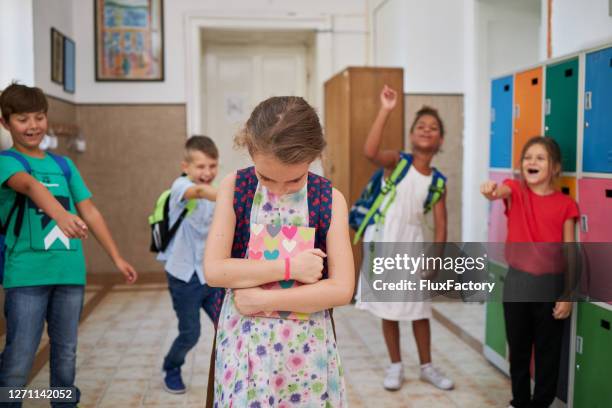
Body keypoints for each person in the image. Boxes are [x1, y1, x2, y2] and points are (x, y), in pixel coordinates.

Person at [204, 96, 354, 406]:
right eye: (267, 177)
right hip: (244, 346)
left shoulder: (330, 199)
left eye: (294, 180)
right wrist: (290, 268)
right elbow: (215, 270)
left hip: (308, 352)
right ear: (250, 151)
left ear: (314, 157)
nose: (279, 191)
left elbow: (342, 289)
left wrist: (265, 299)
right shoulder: (235, 188)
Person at [0, 83, 137, 407]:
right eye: (22, 119)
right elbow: (30, 186)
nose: (33, 126)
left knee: (65, 354)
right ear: (5, 123)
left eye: (39, 117)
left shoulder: (64, 165)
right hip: (27, 276)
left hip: (70, 274)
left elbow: (89, 209)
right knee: (20, 356)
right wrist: (61, 215)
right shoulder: (7, 162)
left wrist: (116, 257)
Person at [355, 85, 454, 391]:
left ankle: (426, 366)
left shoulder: (437, 181)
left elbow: (440, 225)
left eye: (433, 128)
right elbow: (369, 151)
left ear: (439, 141)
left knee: (419, 309)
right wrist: (386, 109)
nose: (427, 130)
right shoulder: (397, 162)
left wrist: (435, 259)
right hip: (384, 242)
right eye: (421, 126)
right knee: (389, 308)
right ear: (412, 135)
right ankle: (395, 365)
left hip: (411, 245)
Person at [481, 136, 577, 408]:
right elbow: (500, 191)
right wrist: (490, 189)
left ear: (555, 168)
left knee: (548, 352)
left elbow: (571, 252)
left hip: (550, 286)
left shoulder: (566, 205)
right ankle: (520, 401)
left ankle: (541, 403)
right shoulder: (516, 191)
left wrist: (568, 294)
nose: (531, 162)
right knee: (519, 349)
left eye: (540, 158)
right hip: (518, 284)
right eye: (527, 157)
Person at [157, 135, 223, 394]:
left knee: (227, 325)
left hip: (210, 275)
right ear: (186, 166)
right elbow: (199, 191)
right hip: (183, 276)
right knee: (190, 333)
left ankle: (229, 371)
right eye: (201, 166)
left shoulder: (217, 194)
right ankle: (171, 366)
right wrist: (233, 195)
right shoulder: (181, 186)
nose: (207, 172)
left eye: (212, 166)